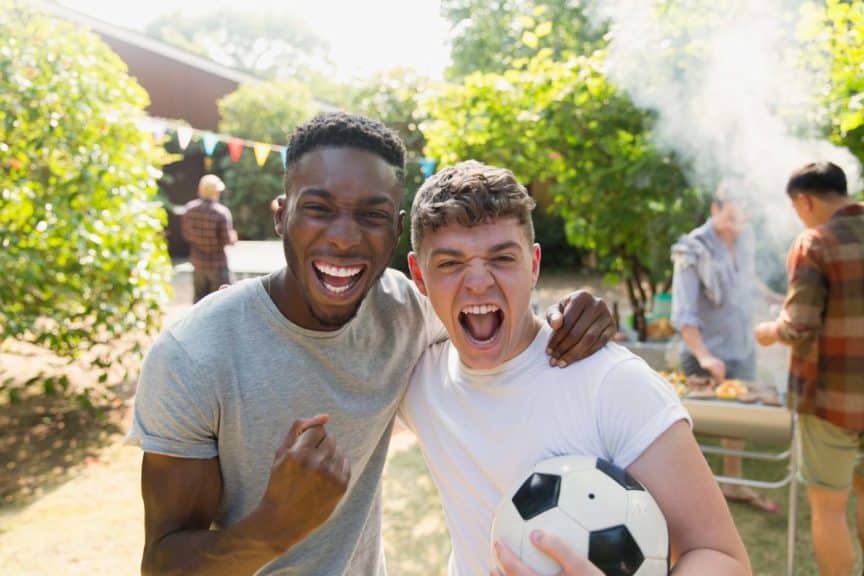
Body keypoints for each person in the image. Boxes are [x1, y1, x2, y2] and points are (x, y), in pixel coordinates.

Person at [129, 113, 616, 576]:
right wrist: (273, 528)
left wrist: (573, 313)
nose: (344, 238)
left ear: (394, 228)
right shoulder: (193, 357)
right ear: (282, 216)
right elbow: (163, 563)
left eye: (371, 215)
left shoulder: (404, 311)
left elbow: (491, 316)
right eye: (318, 209)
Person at [400, 161, 751, 575]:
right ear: (419, 277)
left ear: (533, 265)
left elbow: (722, 557)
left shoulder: (612, 383)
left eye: (502, 258)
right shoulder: (418, 376)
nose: (478, 282)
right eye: (450, 264)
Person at [754, 162, 864, 576]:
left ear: (806, 200)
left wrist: (768, 331)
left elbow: (798, 325)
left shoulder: (816, 243)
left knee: (828, 508)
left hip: (831, 401)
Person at [669, 181, 781, 513]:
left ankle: (733, 481)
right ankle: (692, 498)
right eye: (731, 217)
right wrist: (705, 355)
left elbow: (746, 281)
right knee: (693, 424)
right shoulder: (692, 249)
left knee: (739, 420)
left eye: (744, 218)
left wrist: (773, 297)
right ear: (714, 209)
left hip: (741, 344)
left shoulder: (745, 239)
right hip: (704, 352)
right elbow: (683, 314)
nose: (737, 226)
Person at [181, 174, 238, 303]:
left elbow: (186, 235)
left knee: (199, 302)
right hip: (217, 264)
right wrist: (234, 236)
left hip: (198, 262)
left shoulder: (189, 210)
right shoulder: (221, 212)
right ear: (215, 192)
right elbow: (227, 239)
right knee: (221, 302)